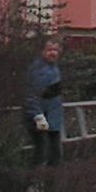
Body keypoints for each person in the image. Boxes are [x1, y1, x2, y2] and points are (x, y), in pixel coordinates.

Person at [23, 38, 65, 167]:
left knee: (54, 154)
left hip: (52, 119)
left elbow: (53, 95)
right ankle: (35, 184)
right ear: (42, 51)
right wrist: (38, 116)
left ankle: (50, 183)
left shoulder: (54, 68)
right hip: (42, 119)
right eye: (49, 50)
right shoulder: (39, 70)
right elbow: (32, 95)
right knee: (42, 153)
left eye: (56, 50)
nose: (53, 53)